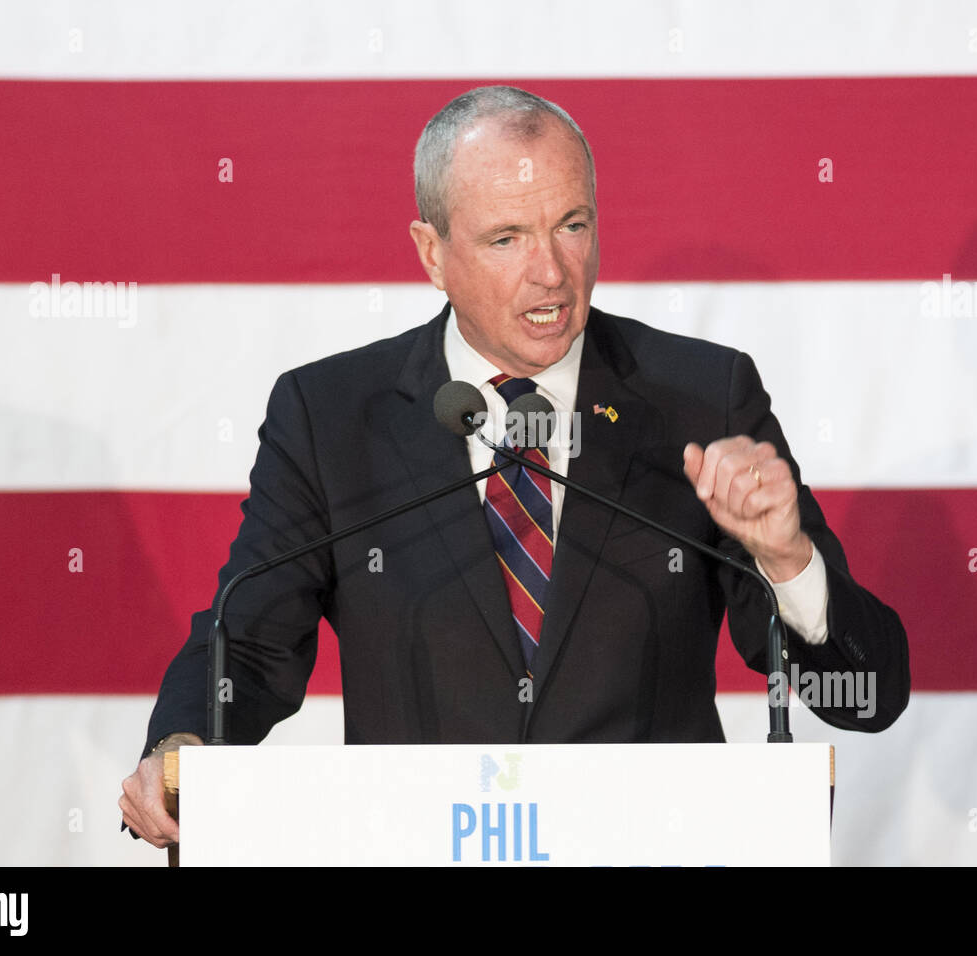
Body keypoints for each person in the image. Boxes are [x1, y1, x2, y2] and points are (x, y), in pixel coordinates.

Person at [120, 86, 909, 848]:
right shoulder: (332, 417)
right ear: (432, 253)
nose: (552, 273)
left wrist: (787, 561)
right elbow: (248, 645)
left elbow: (868, 697)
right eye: (507, 239)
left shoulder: (700, 401)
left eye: (571, 224)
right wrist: (182, 749)